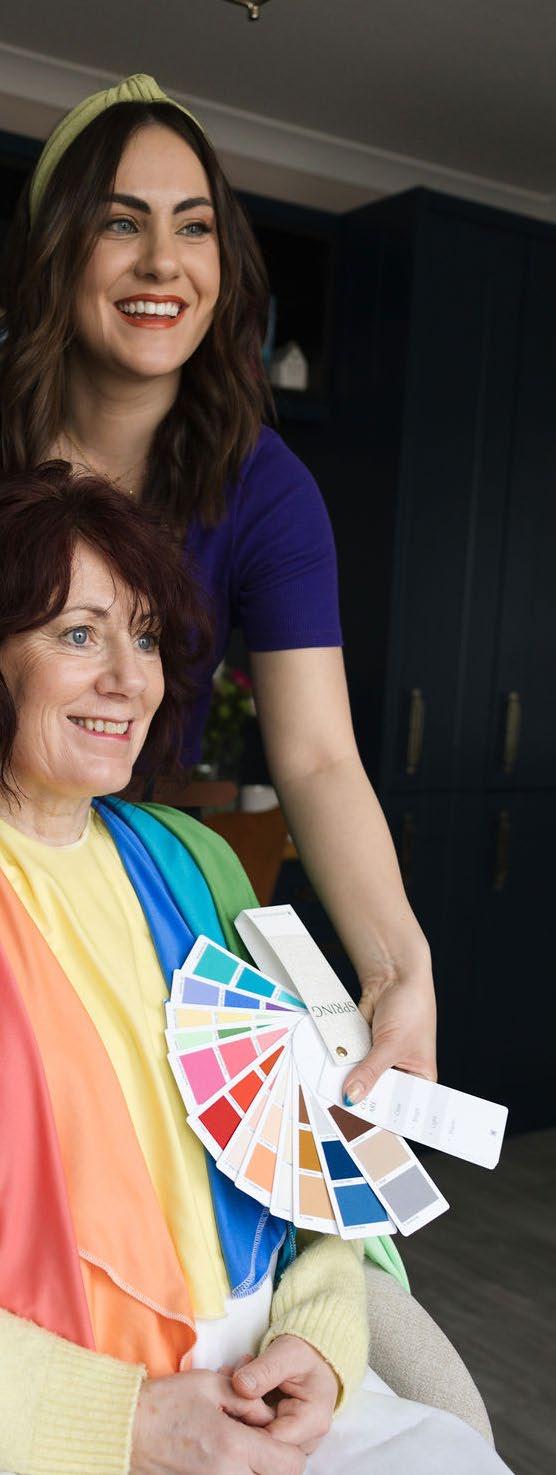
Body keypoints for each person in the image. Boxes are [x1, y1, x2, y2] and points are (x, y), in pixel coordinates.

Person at [0, 465, 512, 1475]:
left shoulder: (198, 867)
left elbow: (306, 1155)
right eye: (79, 634)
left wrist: (318, 1336)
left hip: (271, 1400)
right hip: (66, 1422)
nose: (129, 678)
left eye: (146, 636)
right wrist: (125, 1423)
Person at [0, 73, 435, 1109]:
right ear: (58, 250)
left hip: (118, 897)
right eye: (121, 222)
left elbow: (318, 755)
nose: (163, 262)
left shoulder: (265, 489)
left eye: (193, 227)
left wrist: (397, 963)